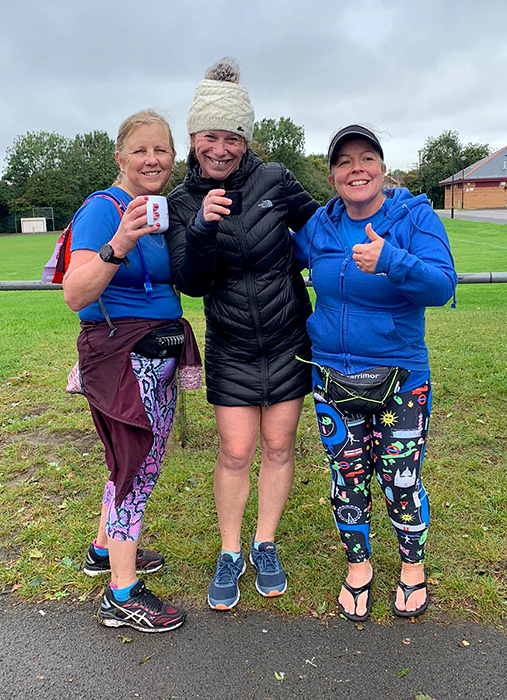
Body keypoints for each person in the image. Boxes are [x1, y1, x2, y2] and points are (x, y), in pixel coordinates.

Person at [167, 58, 319, 610]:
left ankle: (265, 542)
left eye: (233, 137)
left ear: (246, 138)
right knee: (235, 452)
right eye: (211, 135)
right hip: (230, 346)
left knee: (279, 447)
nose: (222, 148)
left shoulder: (276, 180)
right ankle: (230, 550)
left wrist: (384, 211)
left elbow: (323, 226)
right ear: (193, 137)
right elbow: (189, 279)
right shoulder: (182, 201)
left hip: (286, 341)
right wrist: (202, 225)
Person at [292, 124, 457, 621]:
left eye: (366, 158)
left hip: (401, 376)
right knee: (347, 479)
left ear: (383, 169)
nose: (356, 168)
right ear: (332, 176)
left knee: (401, 479)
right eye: (344, 162)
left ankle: (411, 569)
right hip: (332, 378)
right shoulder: (320, 227)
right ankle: (358, 567)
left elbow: (442, 285)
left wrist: (392, 260)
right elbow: (276, 259)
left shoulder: (414, 217)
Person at [63, 109, 200, 632]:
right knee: (135, 469)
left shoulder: (159, 210)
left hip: (154, 355)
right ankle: (121, 595)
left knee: (130, 459)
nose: (152, 159)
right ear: (120, 156)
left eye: (161, 150)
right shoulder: (103, 209)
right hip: (123, 358)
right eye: (140, 150)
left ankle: (105, 550)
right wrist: (119, 242)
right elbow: (76, 292)